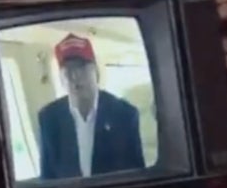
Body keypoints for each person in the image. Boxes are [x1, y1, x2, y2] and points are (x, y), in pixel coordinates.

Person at [38, 33, 146, 180]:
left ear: (96, 71)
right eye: (67, 70)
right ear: (60, 77)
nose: (74, 76)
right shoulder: (49, 118)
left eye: (81, 68)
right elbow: (47, 178)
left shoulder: (125, 114)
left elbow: (137, 174)